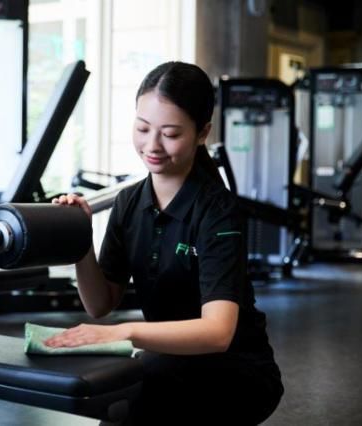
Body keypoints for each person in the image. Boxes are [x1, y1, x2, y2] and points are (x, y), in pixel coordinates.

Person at [47, 61, 283, 425]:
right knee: (117, 398)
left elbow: (218, 332)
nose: (152, 145)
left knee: (134, 398)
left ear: (202, 133)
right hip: (168, 360)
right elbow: (99, 304)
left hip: (237, 371)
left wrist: (122, 333)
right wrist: (80, 238)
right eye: (142, 128)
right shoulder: (129, 202)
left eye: (170, 134)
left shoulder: (217, 211)